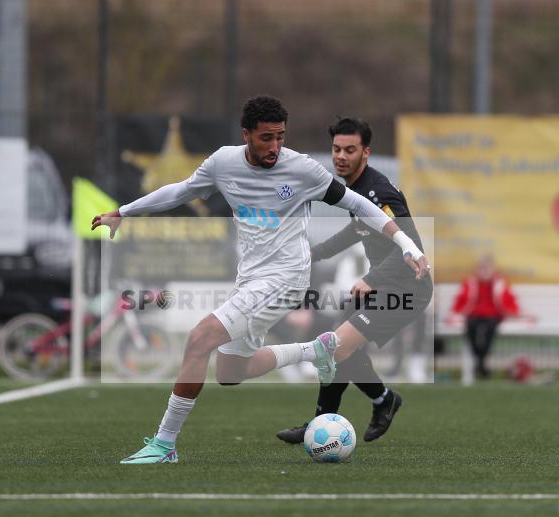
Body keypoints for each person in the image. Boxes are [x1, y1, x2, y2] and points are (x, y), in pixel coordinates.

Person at [91, 97, 429, 464]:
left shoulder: (301, 169)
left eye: (280, 137)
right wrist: (123, 211)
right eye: (266, 138)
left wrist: (405, 242)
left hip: (286, 278)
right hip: (251, 279)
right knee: (230, 371)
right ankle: (315, 350)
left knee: (198, 339)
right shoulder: (223, 162)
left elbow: (358, 205)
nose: (275, 147)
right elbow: (181, 190)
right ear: (246, 134)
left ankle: (164, 444)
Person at [275, 116, 433, 445]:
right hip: (384, 288)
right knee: (335, 349)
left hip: (407, 290)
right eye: (336, 149)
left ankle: (363, 408)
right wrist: (312, 254)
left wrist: (371, 278)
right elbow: (356, 230)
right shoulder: (355, 190)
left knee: (335, 348)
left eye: (350, 150)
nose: (341, 156)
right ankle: (378, 402)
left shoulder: (379, 193)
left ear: (366, 153)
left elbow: (409, 244)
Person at [449, 255, 519, 379]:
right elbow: (462, 299)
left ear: (493, 269)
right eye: (482, 268)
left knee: (490, 329)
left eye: (487, 268)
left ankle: (480, 361)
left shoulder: (500, 283)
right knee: (470, 327)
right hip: (474, 314)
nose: (484, 271)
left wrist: (513, 311)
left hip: (493, 315)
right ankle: (480, 360)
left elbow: (508, 299)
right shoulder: (470, 282)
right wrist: (456, 312)